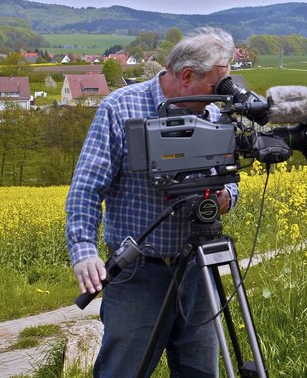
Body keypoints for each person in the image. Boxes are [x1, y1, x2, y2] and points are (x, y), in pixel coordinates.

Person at [65, 26, 239, 378]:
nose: (221, 94)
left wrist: (226, 196)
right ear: (187, 76)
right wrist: (83, 249)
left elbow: (233, 179)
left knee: (201, 372)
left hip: (198, 272)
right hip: (139, 274)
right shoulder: (121, 108)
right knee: (122, 372)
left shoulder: (216, 113)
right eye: (215, 85)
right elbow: (86, 187)